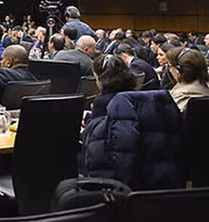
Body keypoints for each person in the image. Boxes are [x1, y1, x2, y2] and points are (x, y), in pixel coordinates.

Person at [80, 54, 184, 190]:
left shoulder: (109, 112)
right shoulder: (149, 102)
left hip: (126, 194)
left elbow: (102, 165)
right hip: (165, 186)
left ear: (99, 79)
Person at [0, 45, 37, 111]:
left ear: (8, 62)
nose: (1, 62)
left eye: (2, 59)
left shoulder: (3, 73)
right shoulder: (33, 79)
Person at [166, 47, 209, 112]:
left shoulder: (183, 96)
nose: (169, 70)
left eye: (169, 66)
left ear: (178, 70)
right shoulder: (203, 85)